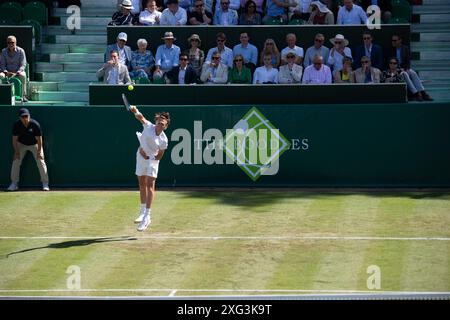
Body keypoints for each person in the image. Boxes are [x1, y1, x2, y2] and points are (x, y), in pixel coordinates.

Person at [130, 106, 170, 231]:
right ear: (156, 121)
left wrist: (150, 157)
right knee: (141, 183)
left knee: (149, 184)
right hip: (140, 156)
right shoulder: (148, 126)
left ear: (165, 126)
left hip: (152, 160)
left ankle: (147, 216)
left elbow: (160, 155)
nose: (159, 124)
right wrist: (135, 110)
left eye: (162, 123)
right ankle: (142, 212)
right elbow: (140, 117)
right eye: (158, 121)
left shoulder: (164, 140)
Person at [7, 108, 49, 192]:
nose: (25, 118)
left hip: (35, 144)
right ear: (20, 118)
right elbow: (14, 139)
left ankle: (45, 183)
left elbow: (39, 139)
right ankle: (14, 183)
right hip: (21, 144)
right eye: (23, 117)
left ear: (29, 116)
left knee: (41, 161)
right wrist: (16, 152)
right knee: (16, 161)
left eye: (26, 116)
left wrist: (39, 151)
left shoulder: (35, 124)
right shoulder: (17, 125)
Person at [389, 34, 433, 101]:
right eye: (392, 40)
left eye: (395, 40)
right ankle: (416, 94)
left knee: (413, 72)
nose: (393, 42)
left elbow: (408, 61)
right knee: (405, 74)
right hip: (394, 69)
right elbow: (390, 62)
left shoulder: (405, 48)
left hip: (404, 68)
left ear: (400, 40)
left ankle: (423, 93)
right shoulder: (390, 49)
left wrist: (406, 68)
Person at [0, 35, 28, 102]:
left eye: (12, 42)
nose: (10, 44)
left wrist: (17, 72)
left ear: (15, 42)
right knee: (0, 75)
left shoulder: (21, 51)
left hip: (18, 71)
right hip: (7, 72)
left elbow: (23, 64)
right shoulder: (3, 51)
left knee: (23, 76)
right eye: (9, 43)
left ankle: (23, 96)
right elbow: (2, 64)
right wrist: (6, 72)